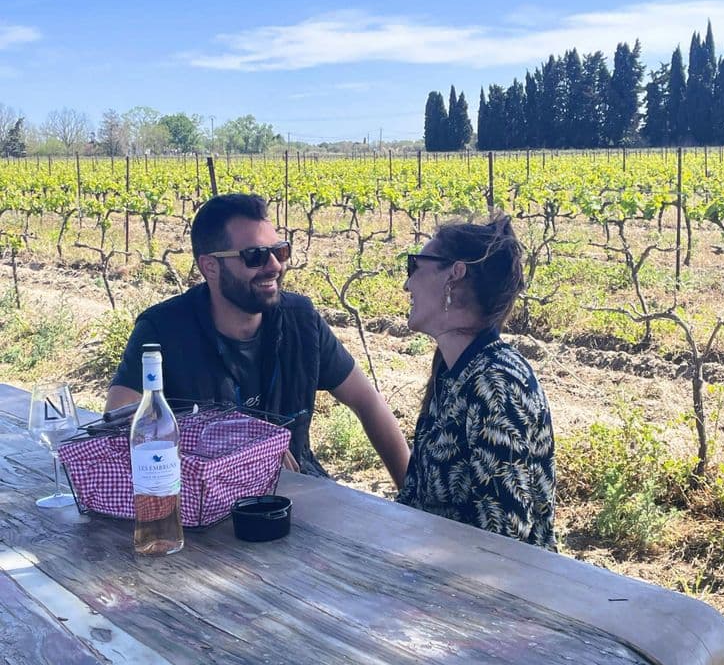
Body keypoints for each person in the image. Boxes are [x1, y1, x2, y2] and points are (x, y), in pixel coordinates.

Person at [106, 193, 409, 485]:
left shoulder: (300, 321)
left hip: (297, 489)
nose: (275, 266)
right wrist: (244, 452)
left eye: (280, 251)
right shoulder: (162, 330)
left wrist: (411, 500)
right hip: (203, 501)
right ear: (210, 266)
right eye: (255, 256)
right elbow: (119, 426)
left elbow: (367, 402)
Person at [396, 215, 555, 546]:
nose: (407, 284)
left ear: (453, 275)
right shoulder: (451, 370)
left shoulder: (496, 385)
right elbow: (413, 498)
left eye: (415, 266)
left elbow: (502, 544)